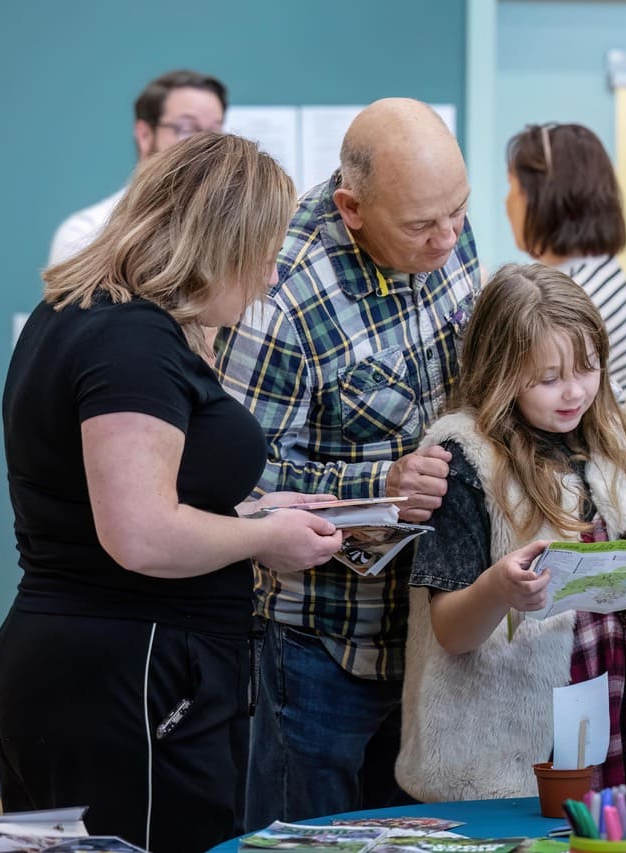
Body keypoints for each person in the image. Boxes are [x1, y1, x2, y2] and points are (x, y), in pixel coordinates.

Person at [0, 133, 345, 853]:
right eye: (264, 254)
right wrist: (265, 537)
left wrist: (258, 510)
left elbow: (132, 499)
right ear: (217, 241)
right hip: (131, 674)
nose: (270, 280)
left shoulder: (79, 314)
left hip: (93, 664)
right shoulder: (132, 342)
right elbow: (141, 533)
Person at [214, 98, 480, 826]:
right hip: (321, 645)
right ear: (352, 207)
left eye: (459, 210)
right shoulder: (284, 293)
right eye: (423, 224)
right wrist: (382, 484)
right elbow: (237, 487)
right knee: (311, 838)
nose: (448, 239)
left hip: (435, 631)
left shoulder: (447, 225)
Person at [394, 263, 626, 801]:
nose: (574, 392)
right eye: (548, 378)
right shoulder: (462, 458)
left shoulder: (616, 448)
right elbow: (450, 631)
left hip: (611, 725)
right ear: (498, 370)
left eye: (588, 368)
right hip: (499, 761)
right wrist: (499, 590)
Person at [505, 123, 626, 407]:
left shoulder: (569, 297)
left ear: (542, 198)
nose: (508, 202)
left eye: (513, 187)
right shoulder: (600, 267)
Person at [48, 69, 227, 264]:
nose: (205, 145)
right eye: (187, 128)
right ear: (144, 135)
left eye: (214, 132)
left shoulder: (231, 230)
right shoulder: (85, 234)